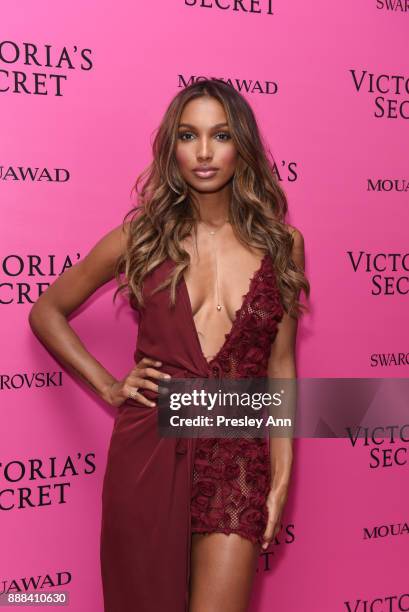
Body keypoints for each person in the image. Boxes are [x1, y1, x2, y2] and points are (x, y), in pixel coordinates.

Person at [28, 78, 309, 612]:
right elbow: (46, 311)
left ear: (242, 145)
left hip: (236, 454)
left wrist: (281, 476)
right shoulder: (141, 237)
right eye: (188, 135)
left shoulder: (282, 244)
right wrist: (110, 385)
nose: (204, 152)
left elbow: (280, 365)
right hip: (149, 449)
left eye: (220, 135)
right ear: (171, 147)